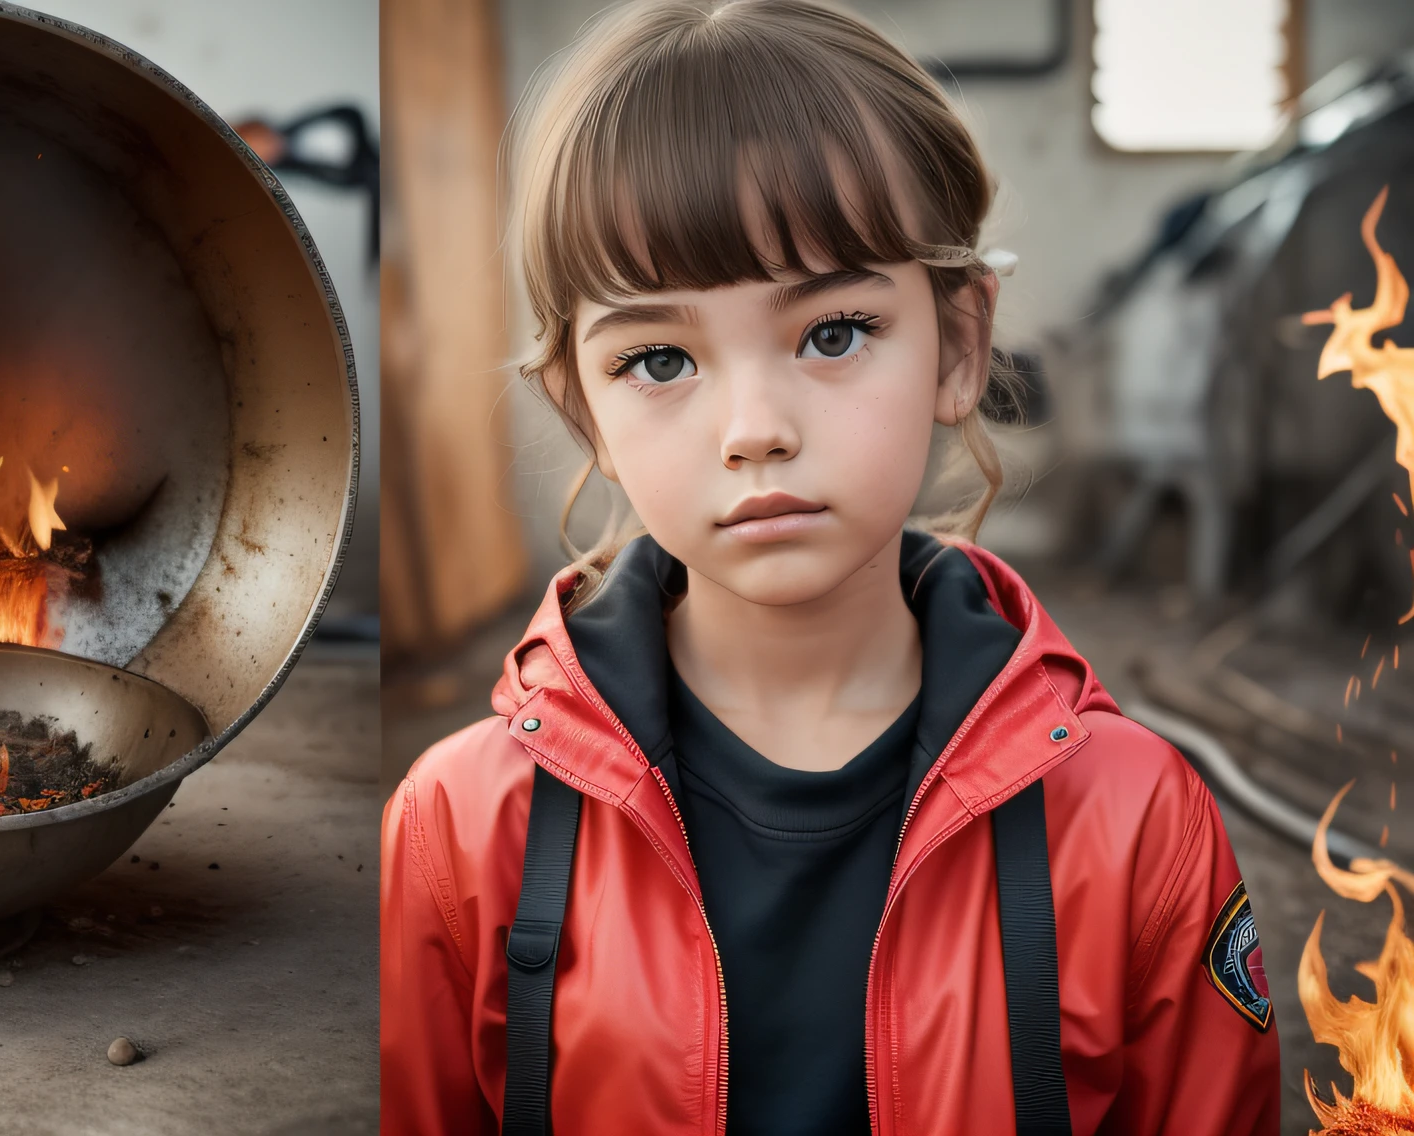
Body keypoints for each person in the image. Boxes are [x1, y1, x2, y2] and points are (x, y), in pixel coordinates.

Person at [377, 2, 1282, 1133]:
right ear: (585, 410)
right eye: (658, 357)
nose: (753, 426)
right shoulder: (461, 825)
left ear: (957, 344)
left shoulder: (1131, 817)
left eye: (833, 331)